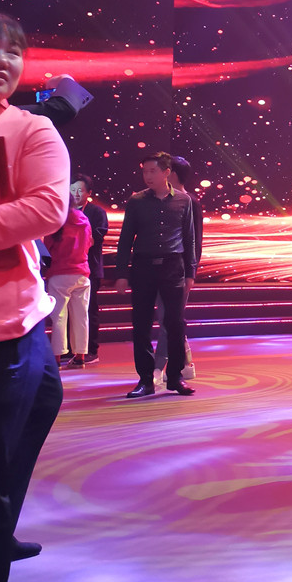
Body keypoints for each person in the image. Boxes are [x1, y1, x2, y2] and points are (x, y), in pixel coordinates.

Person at [0, 12, 69, 582]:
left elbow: (47, 208)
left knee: (42, 404)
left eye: (13, 50)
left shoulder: (30, 128)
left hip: (19, 320)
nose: (2, 58)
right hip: (1, 330)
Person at [115, 152, 197, 398]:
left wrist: (191, 272)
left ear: (166, 172)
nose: (147, 176)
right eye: (144, 171)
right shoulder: (136, 201)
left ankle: (175, 377)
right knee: (141, 324)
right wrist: (121, 273)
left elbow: (189, 238)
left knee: (175, 323)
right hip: (143, 266)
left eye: (152, 171)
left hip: (173, 266)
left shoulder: (184, 200)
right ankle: (145, 380)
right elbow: (125, 239)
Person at [152, 156, 202, 389]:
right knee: (171, 320)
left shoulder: (189, 201)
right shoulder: (159, 199)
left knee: (169, 319)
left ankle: (157, 368)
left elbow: (195, 240)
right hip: (161, 269)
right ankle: (185, 364)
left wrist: (191, 271)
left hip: (179, 271)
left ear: (171, 173)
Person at [43, 197, 93, 367]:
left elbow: (47, 248)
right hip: (81, 273)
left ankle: (57, 358)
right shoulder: (84, 220)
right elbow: (88, 243)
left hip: (59, 273)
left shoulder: (56, 220)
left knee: (58, 317)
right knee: (81, 316)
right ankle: (80, 356)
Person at [70, 174, 108, 366]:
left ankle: (91, 350)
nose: (76, 194)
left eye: (80, 190)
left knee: (88, 310)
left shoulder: (96, 212)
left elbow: (97, 237)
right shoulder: (63, 211)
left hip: (89, 269)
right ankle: (71, 350)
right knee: (67, 313)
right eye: (73, 189)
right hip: (66, 269)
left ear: (89, 193)